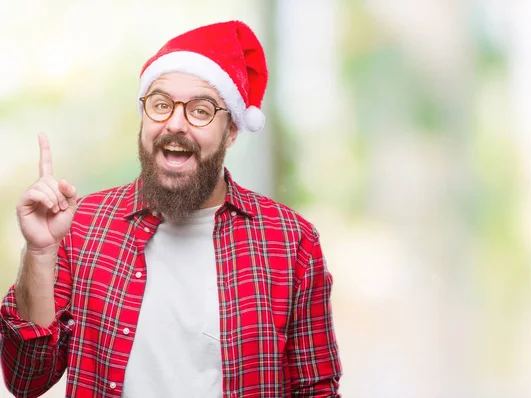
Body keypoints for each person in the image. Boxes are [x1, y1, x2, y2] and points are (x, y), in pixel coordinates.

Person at [0, 20, 342, 397]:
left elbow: (316, 390)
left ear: (231, 130)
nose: (174, 124)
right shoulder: (79, 227)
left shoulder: (291, 241)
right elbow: (26, 380)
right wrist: (40, 252)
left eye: (200, 110)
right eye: (160, 104)